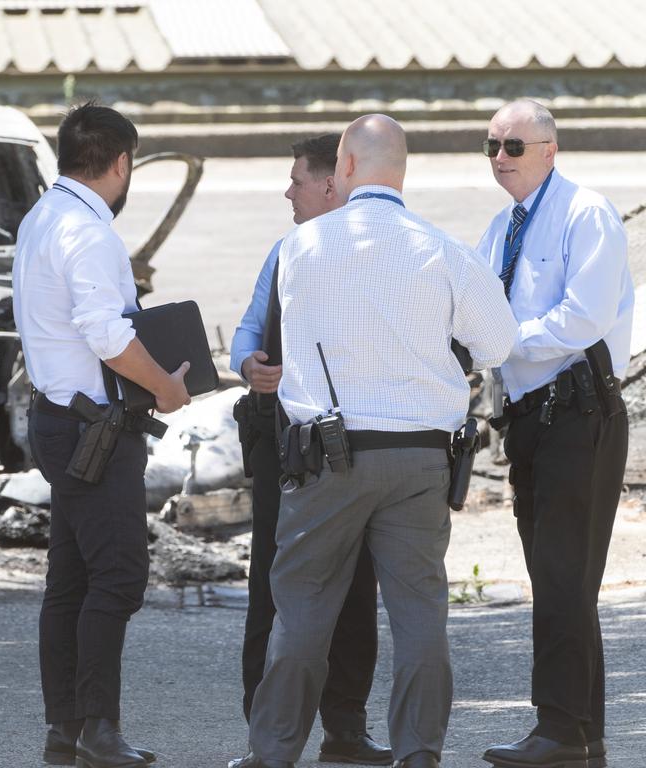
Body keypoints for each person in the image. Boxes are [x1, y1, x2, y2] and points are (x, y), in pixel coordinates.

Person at [228, 114, 518, 768]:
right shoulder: (443, 249)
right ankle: (419, 753)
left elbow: (285, 337)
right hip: (421, 458)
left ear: (346, 169)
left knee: (300, 610)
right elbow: (499, 344)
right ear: (403, 170)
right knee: (420, 615)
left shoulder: (299, 249)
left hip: (326, 454)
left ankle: (271, 753)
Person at [12, 102, 191, 768]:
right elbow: (108, 334)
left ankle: (67, 729)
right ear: (121, 163)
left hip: (62, 421)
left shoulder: (41, 218)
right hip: (94, 431)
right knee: (117, 578)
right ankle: (96, 729)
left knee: (72, 581)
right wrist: (169, 389)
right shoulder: (87, 232)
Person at [477, 100, 632, 768]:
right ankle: (583, 731)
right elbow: (477, 305)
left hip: (578, 414)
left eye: (514, 145)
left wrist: (504, 342)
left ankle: (558, 731)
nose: (500, 158)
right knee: (559, 578)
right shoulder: (500, 225)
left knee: (564, 577)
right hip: (530, 420)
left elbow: (583, 318)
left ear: (549, 148)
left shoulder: (584, 212)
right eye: (490, 146)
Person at [230, 134, 391, 766]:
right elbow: (249, 325)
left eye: (297, 180)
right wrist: (249, 362)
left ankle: (346, 728)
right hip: (284, 448)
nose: (287, 192)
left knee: (355, 585)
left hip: (357, 444)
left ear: (331, 184)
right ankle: (264, 733)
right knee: (272, 584)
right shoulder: (285, 249)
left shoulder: (377, 249)